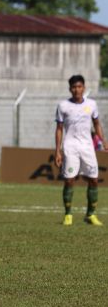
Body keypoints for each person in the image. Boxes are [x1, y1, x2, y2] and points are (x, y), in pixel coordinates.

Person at [55, 75, 107, 226]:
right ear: (70, 89)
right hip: (70, 146)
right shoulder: (63, 105)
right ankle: (68, 215)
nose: (77, 90)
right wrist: (58, 151)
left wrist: (103, 140)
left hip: (87, 147)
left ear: (83, 88)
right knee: (69, 180)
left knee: (94, 180)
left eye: (79, 87)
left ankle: (91, 215)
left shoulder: (92, 104)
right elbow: (58, 129)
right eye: (74, 87)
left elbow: (96, 123)